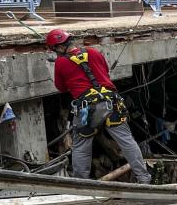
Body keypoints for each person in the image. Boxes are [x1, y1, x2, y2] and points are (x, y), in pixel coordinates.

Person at [46, 29, 152, 184]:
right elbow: (105, 72)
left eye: (55, 50)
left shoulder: (61, 62)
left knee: (81, 146)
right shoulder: (94, 53)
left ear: (59, 48)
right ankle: (144, 178)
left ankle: (81, 184)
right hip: (111, 102)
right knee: (127, 141)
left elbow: (61, 88)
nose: (56, 54)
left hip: (87, 108)